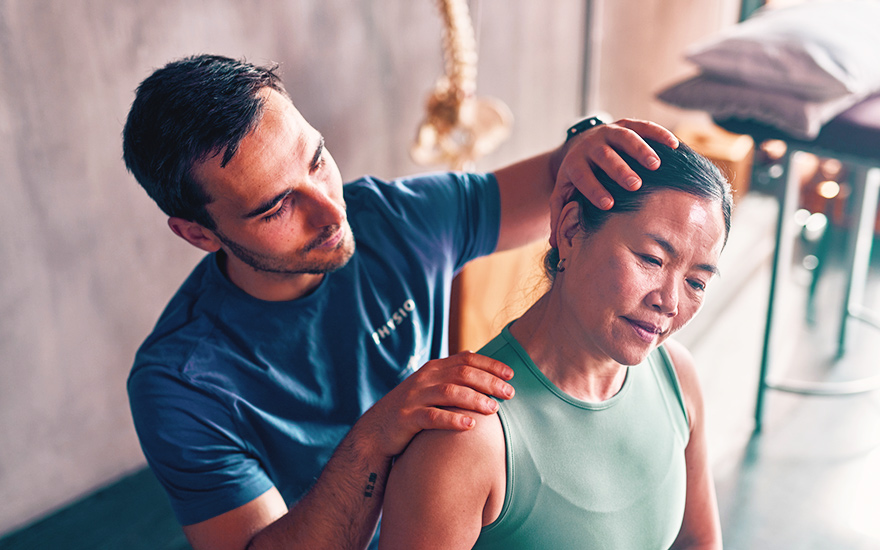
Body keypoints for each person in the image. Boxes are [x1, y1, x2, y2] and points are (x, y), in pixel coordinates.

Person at [122, 54, 679, 550]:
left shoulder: (392, 220)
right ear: (199, 234)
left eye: (316, 159)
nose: (329, 212)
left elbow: (559, 176)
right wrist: (374, 437)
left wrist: (588, 142)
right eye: (275, 208)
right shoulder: (179, 383)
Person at [379, 139, 731, 549]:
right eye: (651, 259)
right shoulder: (465, 438)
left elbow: (698, 543)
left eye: (696, 282)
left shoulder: (675, 375)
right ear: (569, 231)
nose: (669, 302)